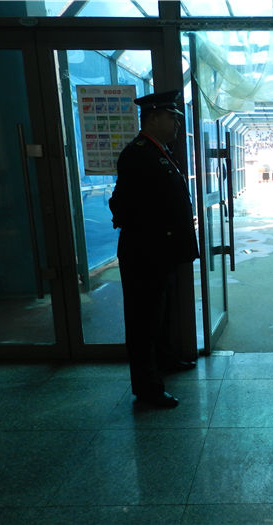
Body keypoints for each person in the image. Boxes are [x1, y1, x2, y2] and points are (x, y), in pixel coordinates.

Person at [109, 90, 199, 408]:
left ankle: (165, 360)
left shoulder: (159, 151)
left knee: (159, 314)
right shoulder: (138, 154)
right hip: (145, 253)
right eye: (172, 118)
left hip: (161, 252)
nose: (176, 124)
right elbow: (122, 205)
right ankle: (147, 388)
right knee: (143, 321)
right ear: (154, 117)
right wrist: (153, 235)